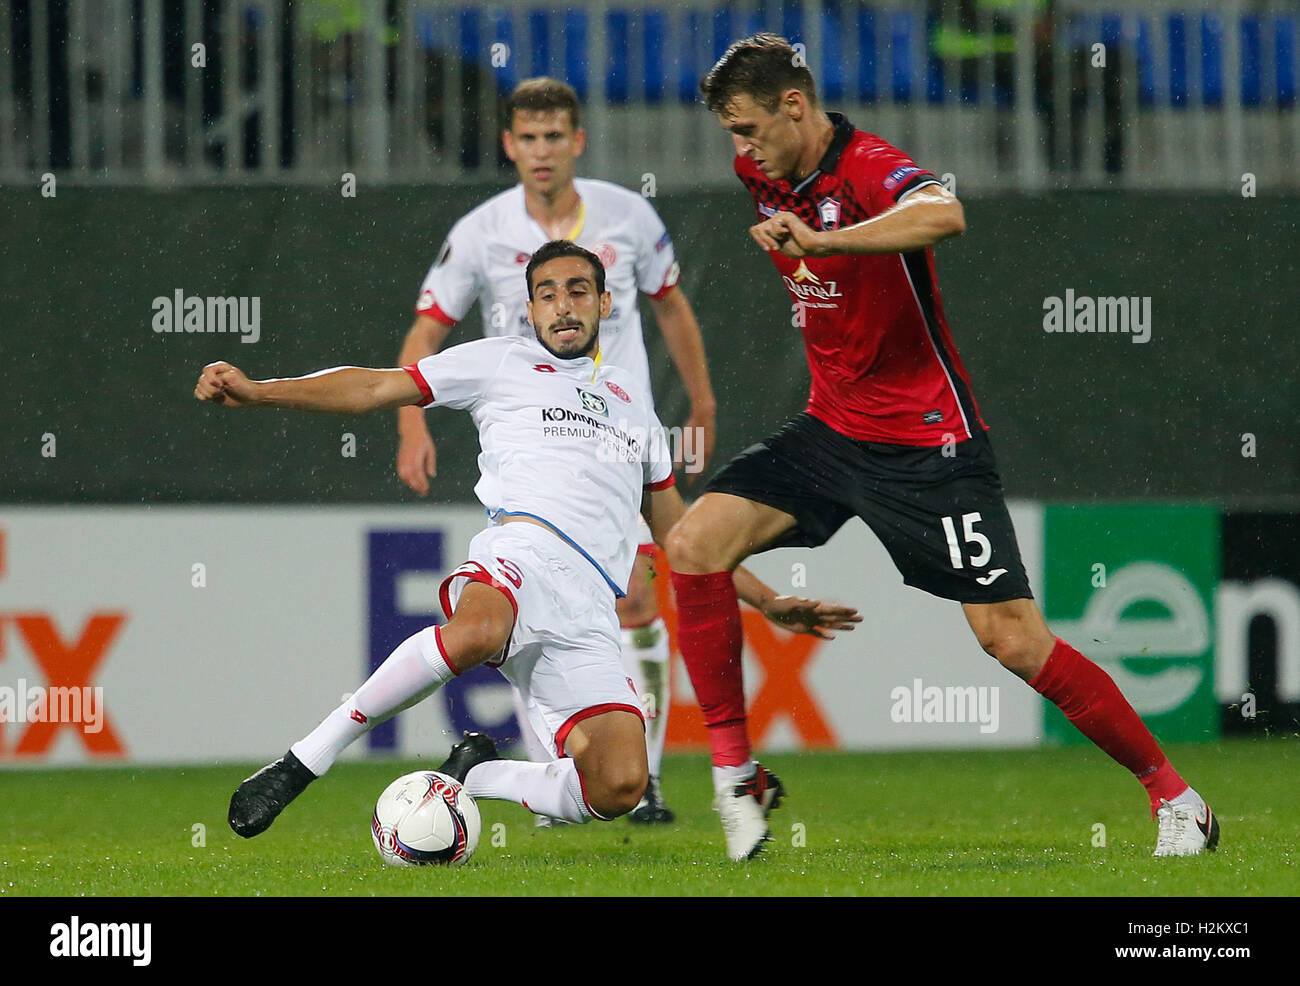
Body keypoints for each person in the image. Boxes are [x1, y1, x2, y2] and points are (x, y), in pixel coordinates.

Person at [664, 33, 1219, 861]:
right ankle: (735, 772)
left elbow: (944, 214)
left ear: (794, 105)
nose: (740, 150)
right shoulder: (764, 173)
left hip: (929, 445)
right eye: (731, 136)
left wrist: (830, 241)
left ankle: (1176, 798)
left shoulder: (869, 167)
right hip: (830, 430)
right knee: (693, 543)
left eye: (747, 128)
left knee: (1010, 639)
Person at [196, 241, 859, 838]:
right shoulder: (496, 363)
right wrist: (259, 393)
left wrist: (768, 602)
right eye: (546, 293)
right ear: (530, 310)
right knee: (479, 632)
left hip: (590, 611)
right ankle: (303, 761)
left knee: (620, 786)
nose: (562, 305)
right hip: (519, 552)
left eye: (577, 290)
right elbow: (374, 386)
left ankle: (472, 776)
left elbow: (681, 537)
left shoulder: (634, 404)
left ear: (603, 303)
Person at [396, 78, 717, 824]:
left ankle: (647, 779)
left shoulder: (628, 216)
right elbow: (426, 330)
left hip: (614, 444)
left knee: (638, 597)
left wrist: (700, 401)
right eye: (527, 138)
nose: (541, 152)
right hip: (536, 449)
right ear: (509, 145)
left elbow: (672, 306)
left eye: (555, 136)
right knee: (524, 612)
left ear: (577, 141)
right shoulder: (479, 231)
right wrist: (411, 424)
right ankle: (562, 767)